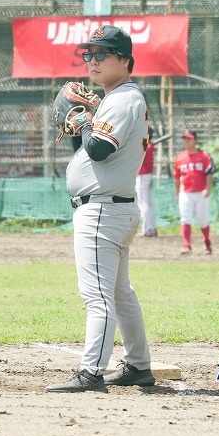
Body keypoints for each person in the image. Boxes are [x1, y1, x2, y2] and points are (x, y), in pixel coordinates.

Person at [46, 25, 155, 393]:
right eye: (88, 54)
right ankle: (138, 365)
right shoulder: (117, 98)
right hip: (111, 208)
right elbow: (86, 149)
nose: (92, 60)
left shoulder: (123, 99)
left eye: (102, 53)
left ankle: (91, 372)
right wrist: (81, 125)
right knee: (120, 294)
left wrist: (83, 121)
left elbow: (99, 150)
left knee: (98, 296)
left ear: (124, 60)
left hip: (102, 212)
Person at [174, 129, 216, 255]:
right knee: (185, 218)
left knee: (202, 220)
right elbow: (177, 177)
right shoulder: (180, 157)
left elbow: (209, 173)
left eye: (189, 139)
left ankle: (207, 241)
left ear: (195, 140)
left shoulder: (204, 155)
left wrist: (207, 188)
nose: (186, 141)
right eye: (184, 139)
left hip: (200, 192)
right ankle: (187, 246)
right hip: (185, 192)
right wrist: (177, 192)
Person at [135, 126, 158, 237]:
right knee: (148, 202)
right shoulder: (149, 145)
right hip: (146, 176)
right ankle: (151, 227)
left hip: (142, 176)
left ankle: (147, 229)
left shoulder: (146, 146)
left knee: (143, 203)